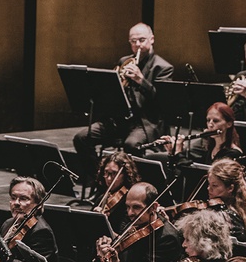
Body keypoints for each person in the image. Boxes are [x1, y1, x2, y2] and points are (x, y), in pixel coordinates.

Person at [73, 23, 174, 180]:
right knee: (82, 137)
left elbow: (163, 101)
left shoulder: (162, 67)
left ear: (152, 39)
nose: (137, 45)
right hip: (119, 120)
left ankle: (133, 183)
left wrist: (141, 80)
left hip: (145, 122)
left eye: (142, 40)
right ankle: (100, 180)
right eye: (133, 41)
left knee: (131, 144)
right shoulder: (124, 61)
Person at [163, 102, 242, 164]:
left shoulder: (233, 153)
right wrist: (172, 152)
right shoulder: (208, 148)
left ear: (229, 124)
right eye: (208, 120)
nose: (210, 124)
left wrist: (178, 152)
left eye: (216, 121)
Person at [205, 158, 246, 243]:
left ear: (230, 188)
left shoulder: (230, 218)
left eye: (215, 185)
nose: (209, 188)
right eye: (209, 184)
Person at [89, 151, 140, 233]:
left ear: (126, 174)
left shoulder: (129, 201)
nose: (109, 178)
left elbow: (122, 232)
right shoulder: (102, 197)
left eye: (114, 173)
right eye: (106, 173)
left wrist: (104, 222)